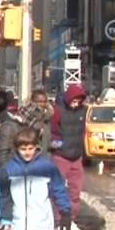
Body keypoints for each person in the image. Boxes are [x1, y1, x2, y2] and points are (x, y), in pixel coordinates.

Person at [50, 84, 87, 215]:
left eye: (79, 101)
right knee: (58, 190)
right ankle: (58, 219)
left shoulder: (84, 111)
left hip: (76, 156)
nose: (76, 104)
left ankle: (73, 219)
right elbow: (52, 131)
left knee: (75, 191)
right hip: (61, 156)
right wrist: (58, 145)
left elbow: (84, 132)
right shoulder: (58, 111)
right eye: (74, 101)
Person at [0, 92, 27, 167]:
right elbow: (2, 152)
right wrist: (7, 170)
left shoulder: (23, 124)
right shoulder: (8, 126)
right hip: (12, 166)